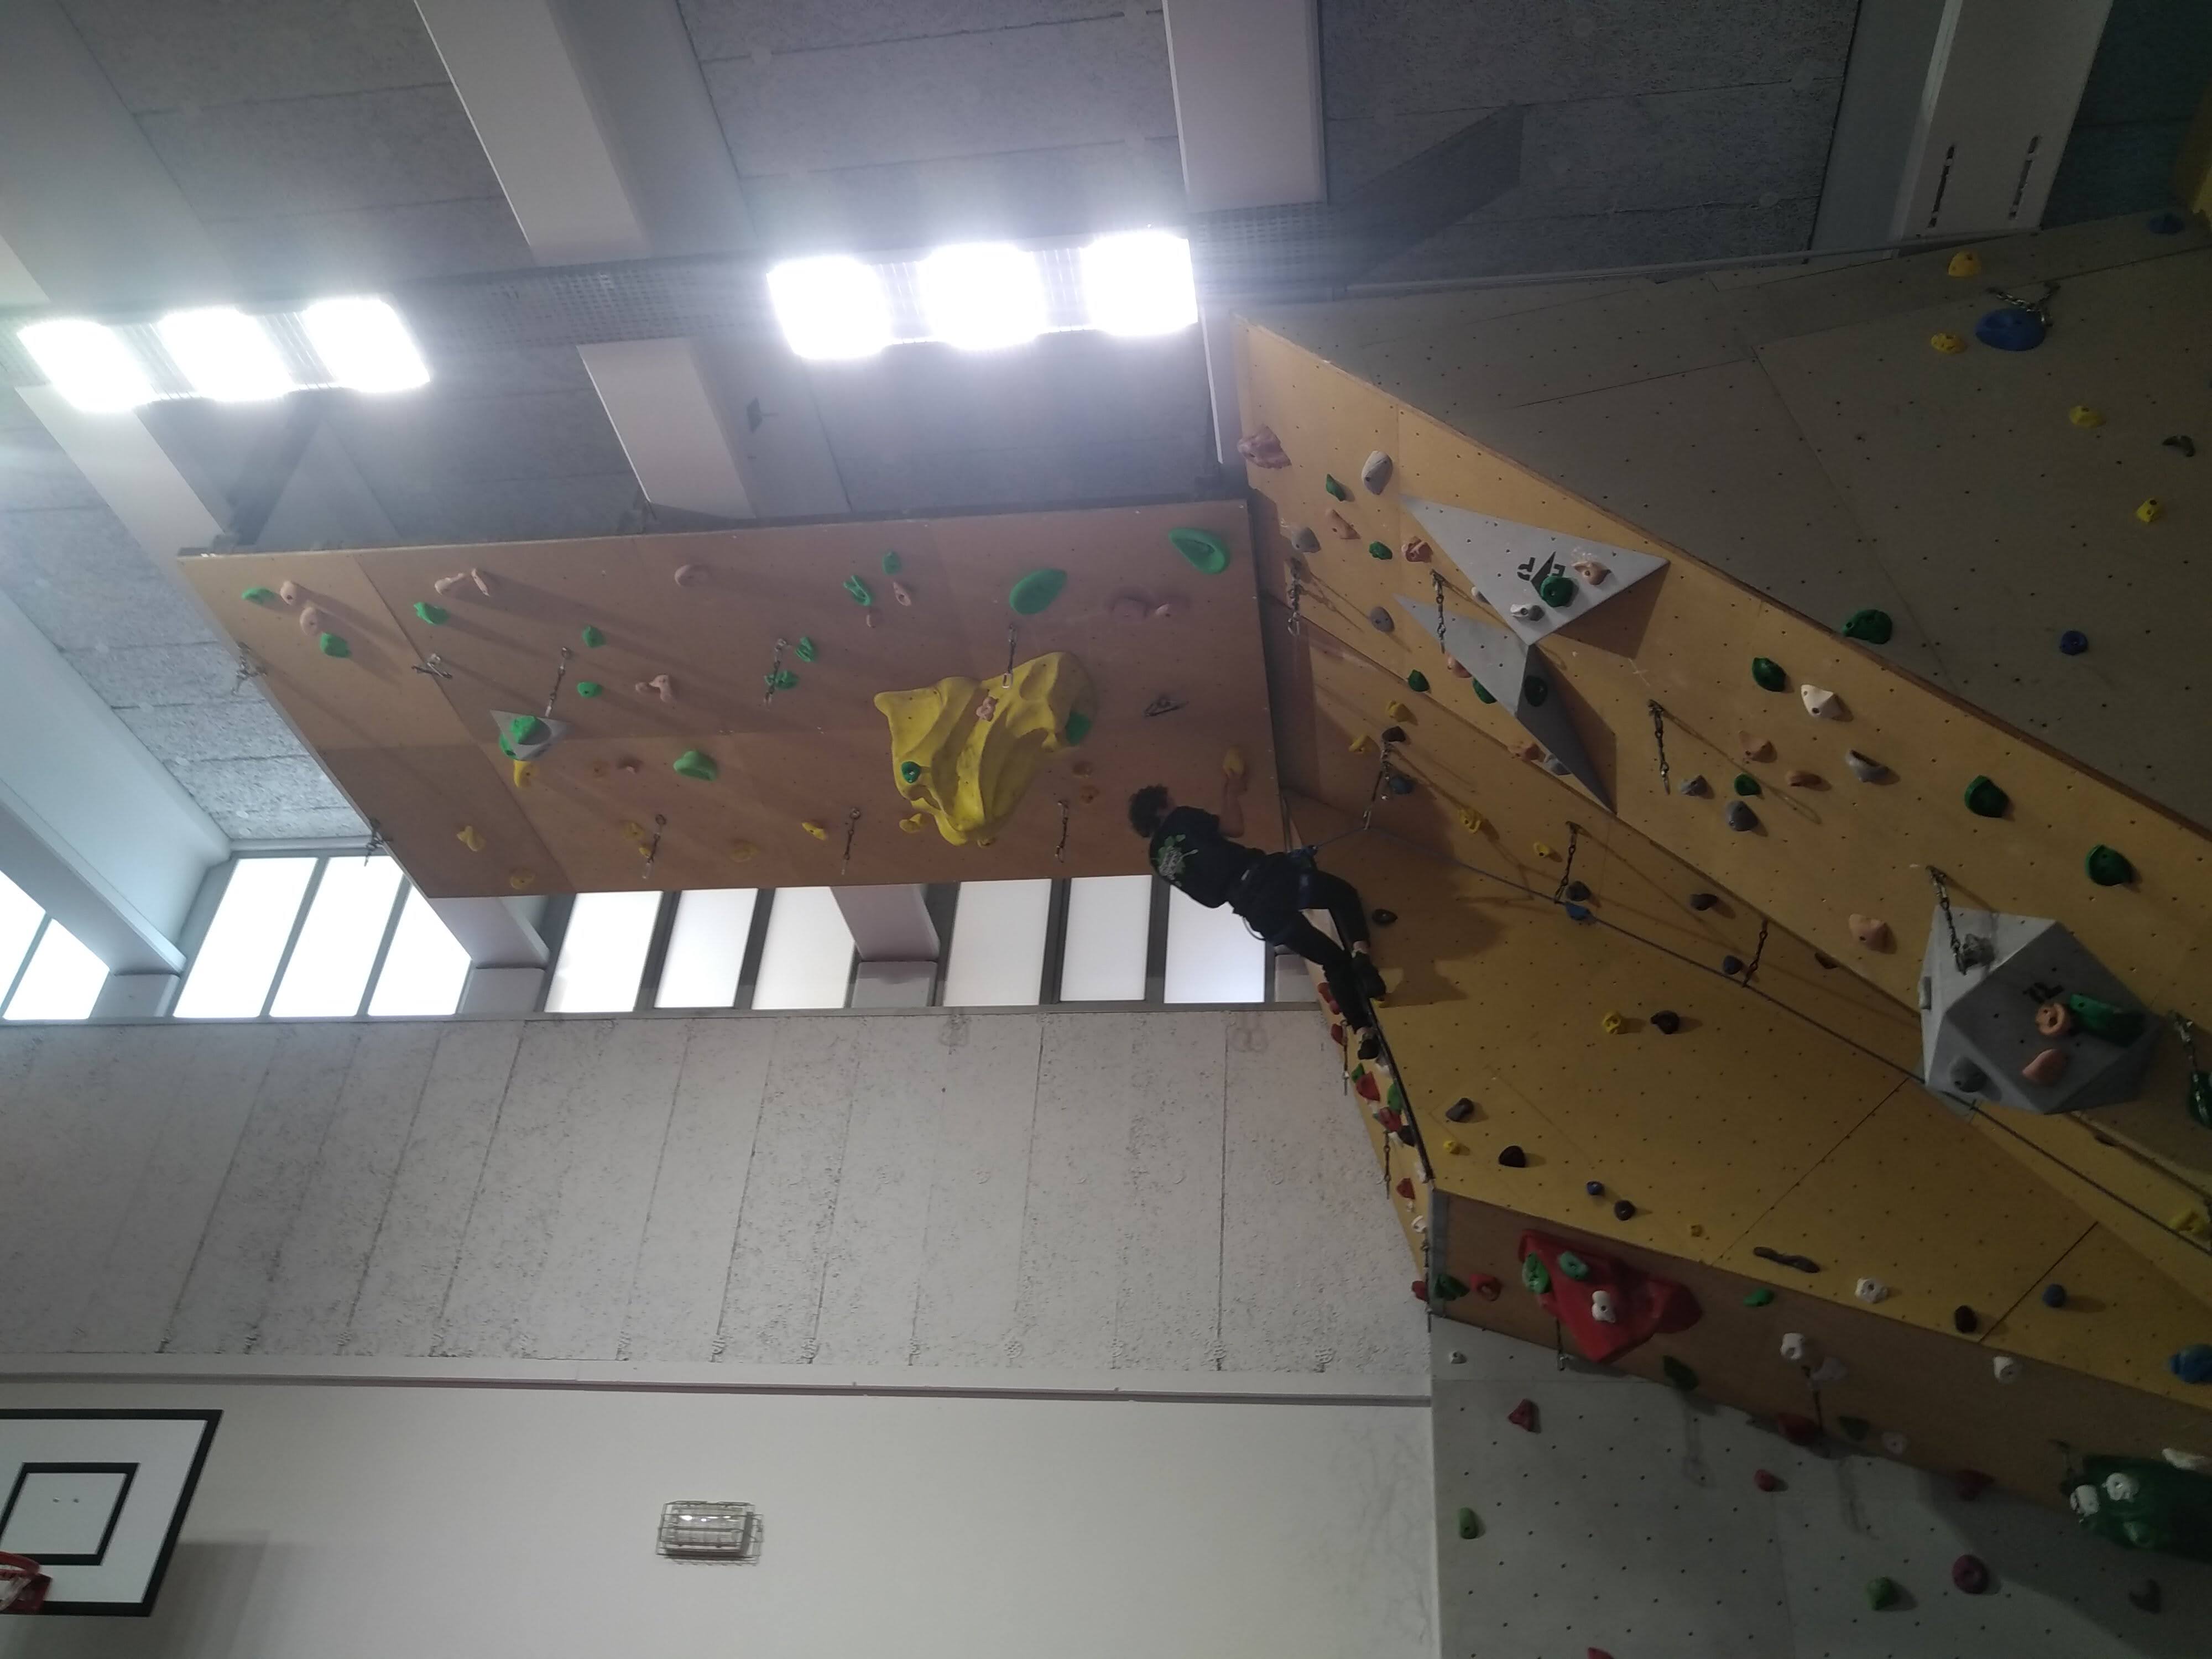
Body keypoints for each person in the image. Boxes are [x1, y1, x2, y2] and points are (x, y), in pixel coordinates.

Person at [1128, 773, 1386, 1052]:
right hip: (1269, 880)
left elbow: (1211, 900)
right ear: (1159, 808)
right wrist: (1231, 792)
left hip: (1255, 912)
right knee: (1342, 895)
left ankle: (1363, 1031)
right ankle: (1361, 956)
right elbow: (1234, 827)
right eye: (1169, 801)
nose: (1174, 803)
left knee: (1332, 961)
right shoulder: (1180, 818)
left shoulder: (1159, 862)